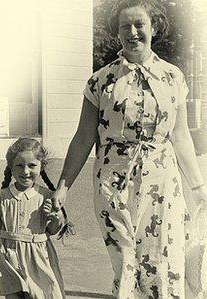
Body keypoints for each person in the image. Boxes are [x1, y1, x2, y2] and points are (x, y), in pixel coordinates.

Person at [52, 0, 207, 298]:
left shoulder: (173, 77)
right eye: (125, 26)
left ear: (153, 28)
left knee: (162, 259)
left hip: (162, 182)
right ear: (117, 32)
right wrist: (63, 186)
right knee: (125, 260)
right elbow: (84, 137)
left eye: (140, 25)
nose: (133, 32)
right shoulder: (100, 81)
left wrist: (198, 185)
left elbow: (181, 136)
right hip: (113, 184)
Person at [0, 138, 69, 299]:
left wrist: (55, 216)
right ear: (10, 167)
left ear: (41, 166)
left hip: (38, 258)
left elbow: (53, 230)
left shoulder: (47, 196)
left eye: (32, 165)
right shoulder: (0, 197)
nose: (25, 171)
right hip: (8, 258)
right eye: (19, 165)